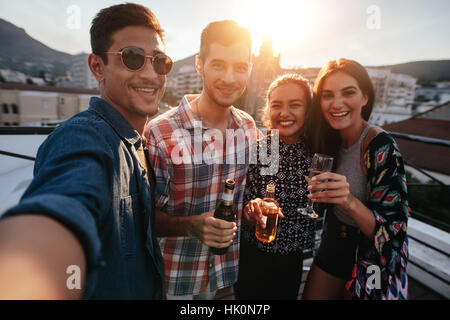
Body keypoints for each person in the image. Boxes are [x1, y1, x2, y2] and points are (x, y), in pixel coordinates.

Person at [0, 3, 172, 299]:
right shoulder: (85, 136)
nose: (150, 74)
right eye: (132, 58)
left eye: (159, 61)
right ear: (97, 66)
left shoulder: (138, 143)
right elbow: (66, 198)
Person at [144, 20, 257, 299]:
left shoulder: (249, 127)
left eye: (240, 67)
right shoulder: (159, 132)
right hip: (174, 282)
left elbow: (250, 193)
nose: (230, 78)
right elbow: (141, 219)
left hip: (226, 277)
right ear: (199, 64)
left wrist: (257, 209)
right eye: (218, 64)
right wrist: (190, 225)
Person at [302, 58, 409, 300]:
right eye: (327, 95)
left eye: (348, 93)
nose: (336, 103)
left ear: (365, 97)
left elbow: (393, 234)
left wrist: (348, 200)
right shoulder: (329, 139)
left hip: (371, 254)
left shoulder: (381, 144)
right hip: (334, 242)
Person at [233, 74, 316, 300]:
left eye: (295, 105)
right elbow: (239, 202)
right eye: (276, 105)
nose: (284, 113)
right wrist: (250, 210)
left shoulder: (318, 151)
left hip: (291, 258)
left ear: (308, 110)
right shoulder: (259, 148)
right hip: (253, 254)